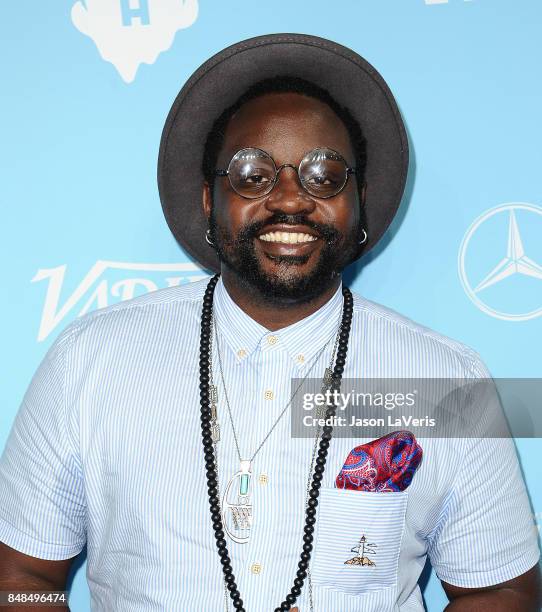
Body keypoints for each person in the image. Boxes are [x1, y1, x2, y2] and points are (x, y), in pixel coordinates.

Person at [0, 34, 540, 612]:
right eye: (252, 173)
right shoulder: (92, 359)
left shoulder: (447, 381)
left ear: (360, 201)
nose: (289, 200)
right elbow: (22, 576)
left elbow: (501, 587)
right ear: (209, 200)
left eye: (324, 174)